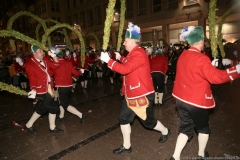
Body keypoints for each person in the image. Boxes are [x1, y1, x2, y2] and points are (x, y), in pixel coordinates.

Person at [170, 26, 240, 160]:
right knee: (203, 129)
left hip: (181, 99)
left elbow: (193, 71)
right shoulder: (201, 58)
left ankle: (175, 156)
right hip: (196, 102)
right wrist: (236, 70)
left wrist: (210, 65)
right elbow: (216, 77)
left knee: (185, 129)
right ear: (201, 41)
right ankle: (201, 155)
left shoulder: (183, 55)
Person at [100, 22, 171, 154]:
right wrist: (118, 57)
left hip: (142, 94)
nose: (124, 43)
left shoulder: (138, 53)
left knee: (148, 123)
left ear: (132, 41)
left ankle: (166, 131)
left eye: (126, 41)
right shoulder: (133, 53)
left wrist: (109, 61)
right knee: (123, 119)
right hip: (131, 94)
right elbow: (128, 63)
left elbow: (125, 69)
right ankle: (127, 146)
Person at [24, 45, 63, 134]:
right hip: (41, 90)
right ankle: (52, 128)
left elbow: (56, 65)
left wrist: (54, 57)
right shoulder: (29, 64)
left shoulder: (45, 59)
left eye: (42, 51)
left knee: (43, 108)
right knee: (53, 106)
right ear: (34, 53)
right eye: (40, 51)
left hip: (49, 88)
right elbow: (32, 78)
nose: (43, 52)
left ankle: (28, 125)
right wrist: (33, 89)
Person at [53, 49, 86, 123]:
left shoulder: (55, 64)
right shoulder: (68, 63)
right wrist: (81, 71)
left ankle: (80, 115)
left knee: (65, 104)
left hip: (61, 86)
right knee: (62, 101)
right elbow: (76, 73)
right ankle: (61, 116)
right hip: (69, 86)